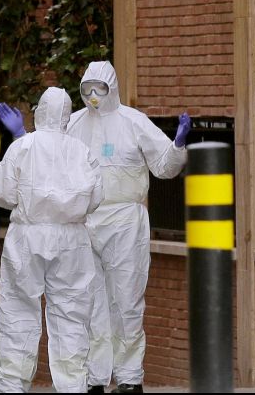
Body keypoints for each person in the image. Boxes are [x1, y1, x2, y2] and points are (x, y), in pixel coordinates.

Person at [66, 61, 191, 394]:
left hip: (125, 222)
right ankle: (95, 377)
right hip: (86, 221)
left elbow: (163, 166)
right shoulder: (74, 124)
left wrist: (177, 146)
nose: (93, 97)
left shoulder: (133, 122)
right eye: (87, 90)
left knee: (127, 299)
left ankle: (130, 376)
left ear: (112, 88)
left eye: (99, 89)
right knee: (91, 303)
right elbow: (51, 159)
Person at [0, 87, 104, 393]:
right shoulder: (82, 151)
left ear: (39, 111)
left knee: (18, 310)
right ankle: (73, 387)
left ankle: (13, 385)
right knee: (72, 314)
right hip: (72, 239)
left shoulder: (23, 146)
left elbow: (1, 191)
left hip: (28, 235)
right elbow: (96, 197)